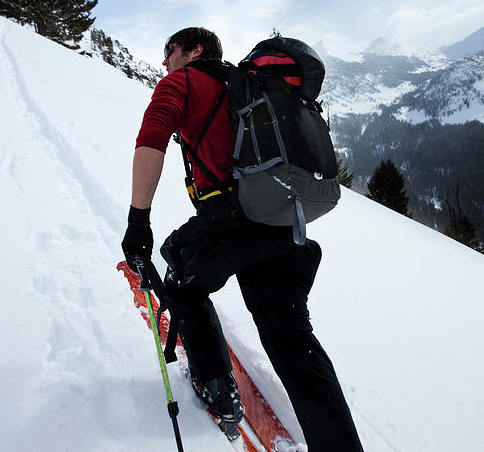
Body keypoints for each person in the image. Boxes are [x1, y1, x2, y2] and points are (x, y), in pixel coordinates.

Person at [121, 27, 364, 451]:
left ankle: (218, 391)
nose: (165, 62)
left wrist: (138, 222)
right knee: (292, 338)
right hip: (286, 227)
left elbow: (152, 137)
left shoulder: (184, 81)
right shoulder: (247, 87)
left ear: (195, 51)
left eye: (170, 51)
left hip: (230, 224)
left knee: (181, 277)